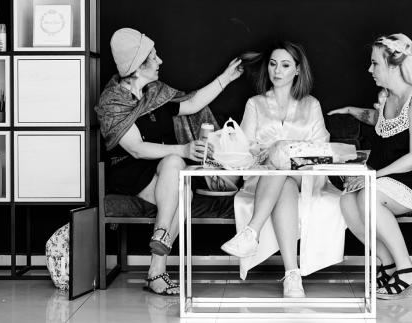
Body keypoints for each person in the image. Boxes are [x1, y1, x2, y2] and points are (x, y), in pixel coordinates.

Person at [95, 28, 243, 295]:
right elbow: (137, 150)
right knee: (182, 187)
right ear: (138, 66)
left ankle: (158, 252)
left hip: (164, 166)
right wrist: (184, 149)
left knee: (176, 166)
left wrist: (226, 78)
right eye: (153, 56)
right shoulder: (113, 101)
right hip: (130, 170)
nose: (160, 60)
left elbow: (193, 103)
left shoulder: (156, 93)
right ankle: (157, 268)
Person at [328, 33, 412, 300]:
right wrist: (351, 110)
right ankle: (388, 263)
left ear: (394, 66)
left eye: (375, 64)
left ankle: (407, 271)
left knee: (367, 197)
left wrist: (372, 176)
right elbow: (379, 120)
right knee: (347, 201)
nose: (369, 69)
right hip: (393, 177)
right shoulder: (389, 98)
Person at [220, 40, 346, 298]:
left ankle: (251, 232)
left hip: (305, 177)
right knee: (281, 177)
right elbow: (244, 147)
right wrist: (271, 153)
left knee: (284, 166)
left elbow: (320, 148)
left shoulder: (311, 105)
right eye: (273, 64)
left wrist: (287, 149)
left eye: (285, 65)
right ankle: (292, 275)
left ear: (298, 70)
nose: (277, 71)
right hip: (265, 178)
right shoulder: (254, 103)